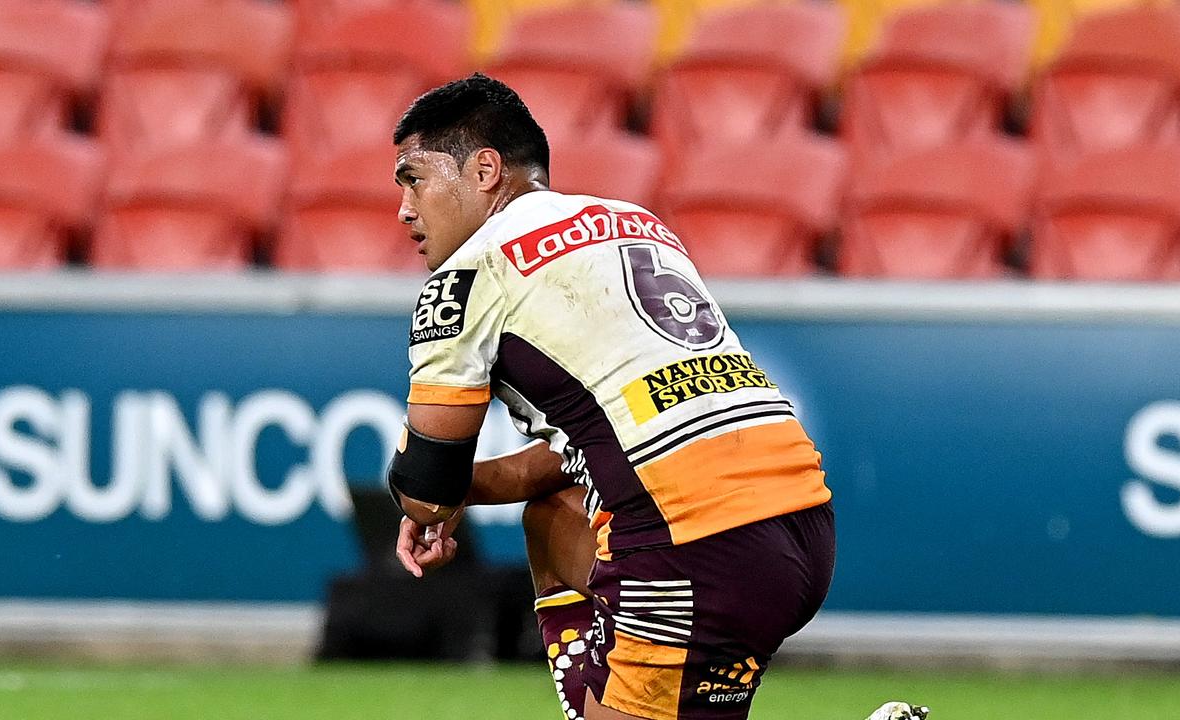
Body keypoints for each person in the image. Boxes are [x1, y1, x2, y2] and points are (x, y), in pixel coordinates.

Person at [386, 73, 925, 720]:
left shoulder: (469, 277)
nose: (405, 209)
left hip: (692, 541)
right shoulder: (632, 221)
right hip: (803, 523)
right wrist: (464, 488)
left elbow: (426, 486)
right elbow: (610, 438)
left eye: (414, 178)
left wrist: (420, 485)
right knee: (552, 519)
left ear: (484, 169)